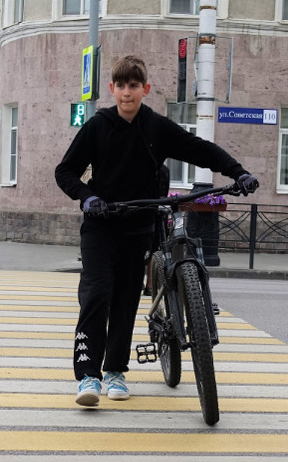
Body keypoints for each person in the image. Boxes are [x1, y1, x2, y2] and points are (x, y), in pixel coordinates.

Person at [54, 54, 258, 407]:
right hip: (101, 228)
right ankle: (88, 376)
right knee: (97, 294)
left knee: (125, 301)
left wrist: (237, 172)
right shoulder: (98, 126)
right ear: (112, 89)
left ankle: (115, 371)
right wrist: (87, 197)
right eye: (121, 86)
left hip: (138, 230)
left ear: (145, 89)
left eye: (134, 86)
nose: (127, 93)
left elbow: (199, 149)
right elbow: (65, 171)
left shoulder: (156, 127)